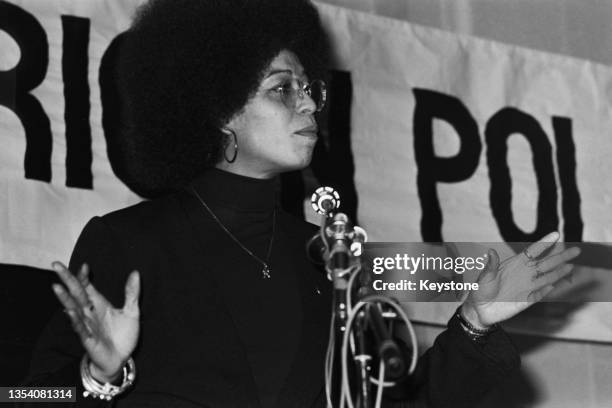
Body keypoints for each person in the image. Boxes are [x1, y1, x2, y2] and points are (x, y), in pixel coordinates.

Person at [22, 0, 580, 406]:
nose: (311, 102)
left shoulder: (328, 260)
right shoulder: (130, 241)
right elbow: (26, 395)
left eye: (311, 87)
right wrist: (98, 377)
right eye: (283, 89)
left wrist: (476, 323)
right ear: (218, 108)